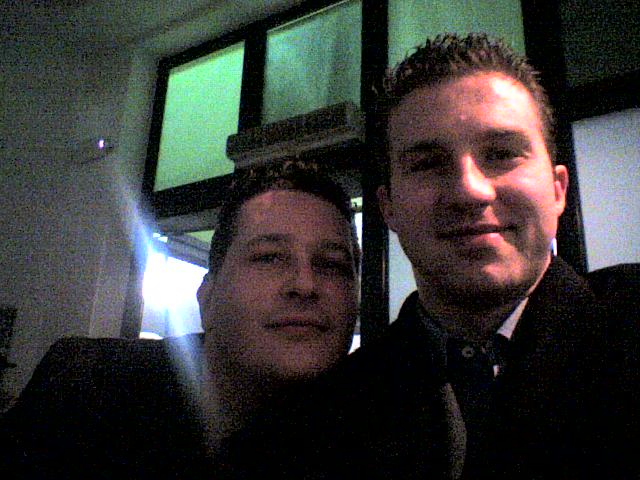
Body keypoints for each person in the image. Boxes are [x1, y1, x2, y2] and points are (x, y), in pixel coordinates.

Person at [221, 33, 639, 479]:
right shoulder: (310, 426)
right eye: (427, 163)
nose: (469, 190)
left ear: (558, 190)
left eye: (501, 154)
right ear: (389, 208)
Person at [0, 161, 361, 478]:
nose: (305, 284)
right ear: (207, 296)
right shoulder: (85, 392)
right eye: (269, 257)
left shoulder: (377, 441)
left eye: (332, 264)